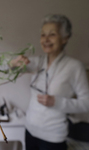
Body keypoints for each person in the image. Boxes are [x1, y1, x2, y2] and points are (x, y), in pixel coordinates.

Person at [10, 14, 89, 150]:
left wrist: (57, 102)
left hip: (53, 138)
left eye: (52, 34)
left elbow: (86, 103)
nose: (46, 39)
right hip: (30, 131)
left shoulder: (75, 67)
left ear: (65, 38)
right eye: (43, 35)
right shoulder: (37, 62)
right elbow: (9, 71)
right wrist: (12, 63)